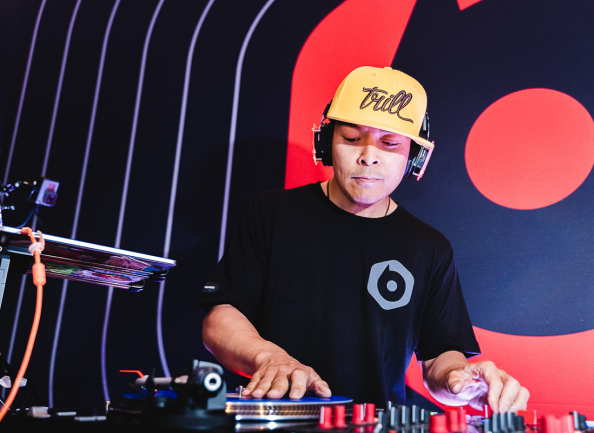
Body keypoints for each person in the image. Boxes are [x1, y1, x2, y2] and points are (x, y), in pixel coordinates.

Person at [200, 66, 529, 413]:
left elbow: (439, 357)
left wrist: (461, 382)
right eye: (353, 138)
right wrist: (270, 358)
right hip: (275, 419)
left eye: (389, 143)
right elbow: (221, 317)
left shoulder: (430, 247)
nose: (368, 156)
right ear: (326, 143)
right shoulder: (271, 213)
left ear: (415, 156)